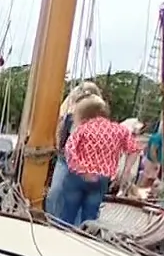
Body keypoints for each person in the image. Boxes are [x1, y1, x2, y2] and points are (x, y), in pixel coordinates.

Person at [46, 95, 139, 227]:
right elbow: (134, 149)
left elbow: (69, 149)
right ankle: (85, 233)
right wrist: (126, 170)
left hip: (78, 176)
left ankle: (65, 232)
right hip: (101, 178)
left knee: (68, 212)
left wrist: (80, 169)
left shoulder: (83, 129)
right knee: (91, 214)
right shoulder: (120, 130)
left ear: (85, 114)